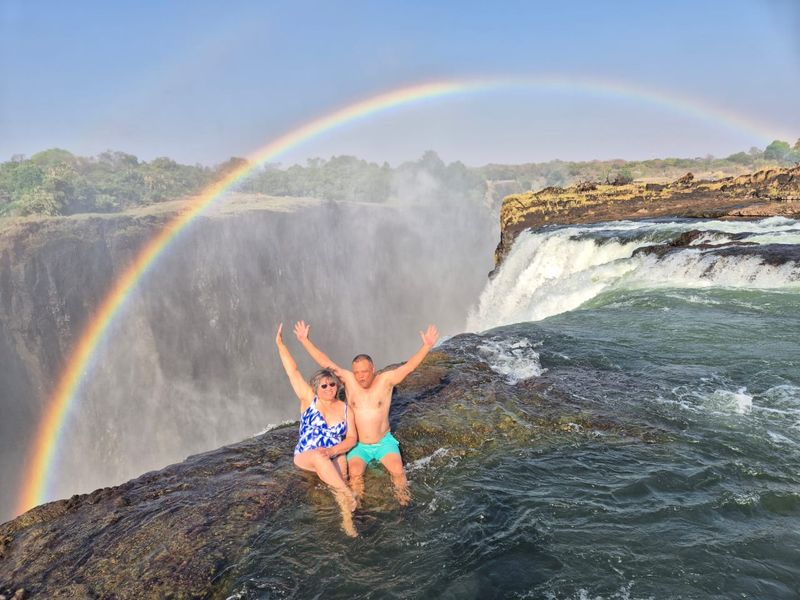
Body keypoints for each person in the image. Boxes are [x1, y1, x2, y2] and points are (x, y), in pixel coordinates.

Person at [294, 320, 439, 506]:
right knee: (355, 474)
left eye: (364, 371)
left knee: (397, 469)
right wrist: (305, 340)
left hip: (383, 441)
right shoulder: (348, 380)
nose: (361, 376)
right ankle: (358, 507)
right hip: (359, 445)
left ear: (373, 368)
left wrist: (426, 346)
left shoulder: (386, 381)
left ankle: (405, 506)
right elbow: (326, 363)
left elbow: (409, 367)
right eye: (357, 372)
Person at [275, 323, 359, 537]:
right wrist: (280, 344)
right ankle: (348, 496)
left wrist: (333, 451)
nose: (329, 389)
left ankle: (347, 519)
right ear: (316, 388)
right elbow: (292, 371)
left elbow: (351, 439)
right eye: (324, 386)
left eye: (332, 385)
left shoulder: (345, 408)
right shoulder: (308, 400)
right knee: (324, 462)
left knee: (342, 465)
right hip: (307, 455)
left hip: (332, 453)